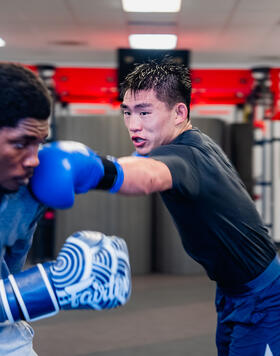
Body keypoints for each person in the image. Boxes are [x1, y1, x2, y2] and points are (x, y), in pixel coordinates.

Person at [32, 58, 280, 356]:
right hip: (232, 292)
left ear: (179, 112)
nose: (133, 125)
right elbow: (137, 164)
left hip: (265, 299)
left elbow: (149, 176)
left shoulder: (188, 156)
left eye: (145, 112)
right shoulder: (192, 140)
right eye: (127, 112)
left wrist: (89, 170)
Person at [0, 62, 131, 356]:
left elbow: (131, 173)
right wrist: (51, 285)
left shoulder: (29, 182)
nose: (34, 160)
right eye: (21, 143)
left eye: (39, 143)